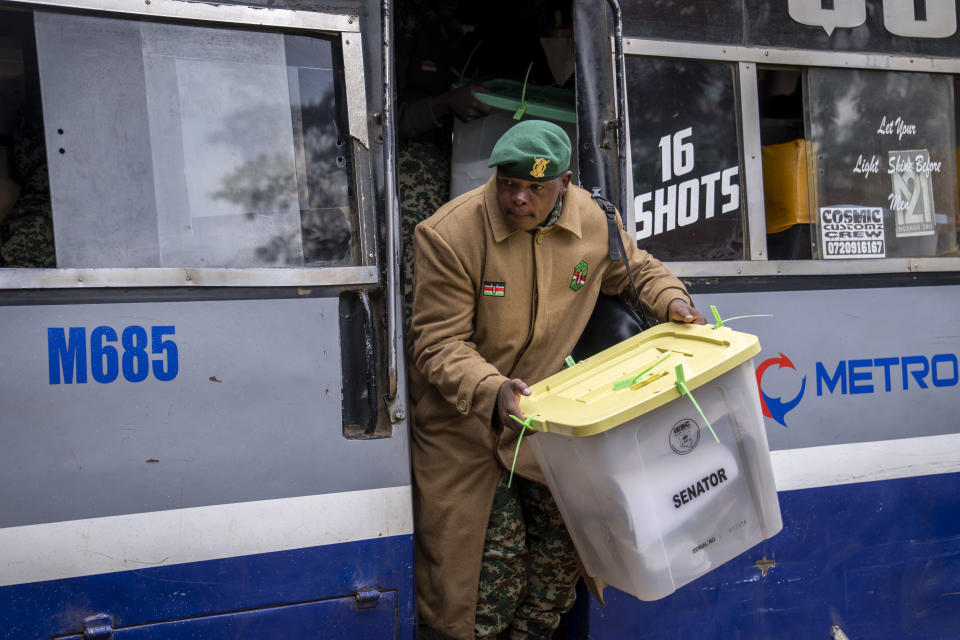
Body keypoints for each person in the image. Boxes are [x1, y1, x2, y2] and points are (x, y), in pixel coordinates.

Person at [408, 120, 705, 640]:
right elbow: (437, 344)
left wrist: (674, 302)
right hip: (466, 424)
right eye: (508, 183)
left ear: (564, 184)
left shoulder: (593, 221)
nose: (518, 198)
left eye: (535, 188)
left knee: (561, 560)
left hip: (545, 422)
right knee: (484, 581)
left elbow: (638, 270)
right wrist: (493, 390)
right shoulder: (450, 234)